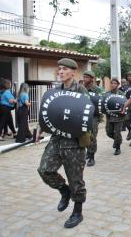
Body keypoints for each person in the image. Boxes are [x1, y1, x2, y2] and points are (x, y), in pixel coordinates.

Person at [37, 58, 89, 228]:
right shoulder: (54, 91)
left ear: (73, 72)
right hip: (56, 139)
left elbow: (88, 116)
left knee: (76, 180)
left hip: (73, 142)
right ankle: (64, 190)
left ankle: (77, 211)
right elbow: (47, 111)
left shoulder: (81, 91)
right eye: (59, 69)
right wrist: (39, 129)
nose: (60, 72)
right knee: (45, 170)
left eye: (64, 69)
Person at [83, 70, 104, 167]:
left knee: (92, 137)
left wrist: (100, 117)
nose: (85, 79)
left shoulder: (98, 90)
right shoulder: (81, 88)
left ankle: (91, 157)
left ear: (92, 79)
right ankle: (88, 151)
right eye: (84, 77)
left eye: (87, 77)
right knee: (84, 135)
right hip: (82, 116)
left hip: (94, 117)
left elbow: (101, 104)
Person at [105, 78, 126, 155]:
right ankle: (118, 140)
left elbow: (125, 104)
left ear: (117, 85)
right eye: (112, 83)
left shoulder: (121, 94)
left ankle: (118, 148)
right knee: (109, 132)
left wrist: (123, 110)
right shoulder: (107, 94)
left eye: (114, 83)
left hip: (119, 117)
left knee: (117, 133)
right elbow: (104, 103)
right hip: (109, 117)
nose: (113, 84)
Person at [121, 71, 131, 144]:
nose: (129, 77)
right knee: (126, 121)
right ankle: (130, 131)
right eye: (128, 76)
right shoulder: (124, 86)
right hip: (127, 105)